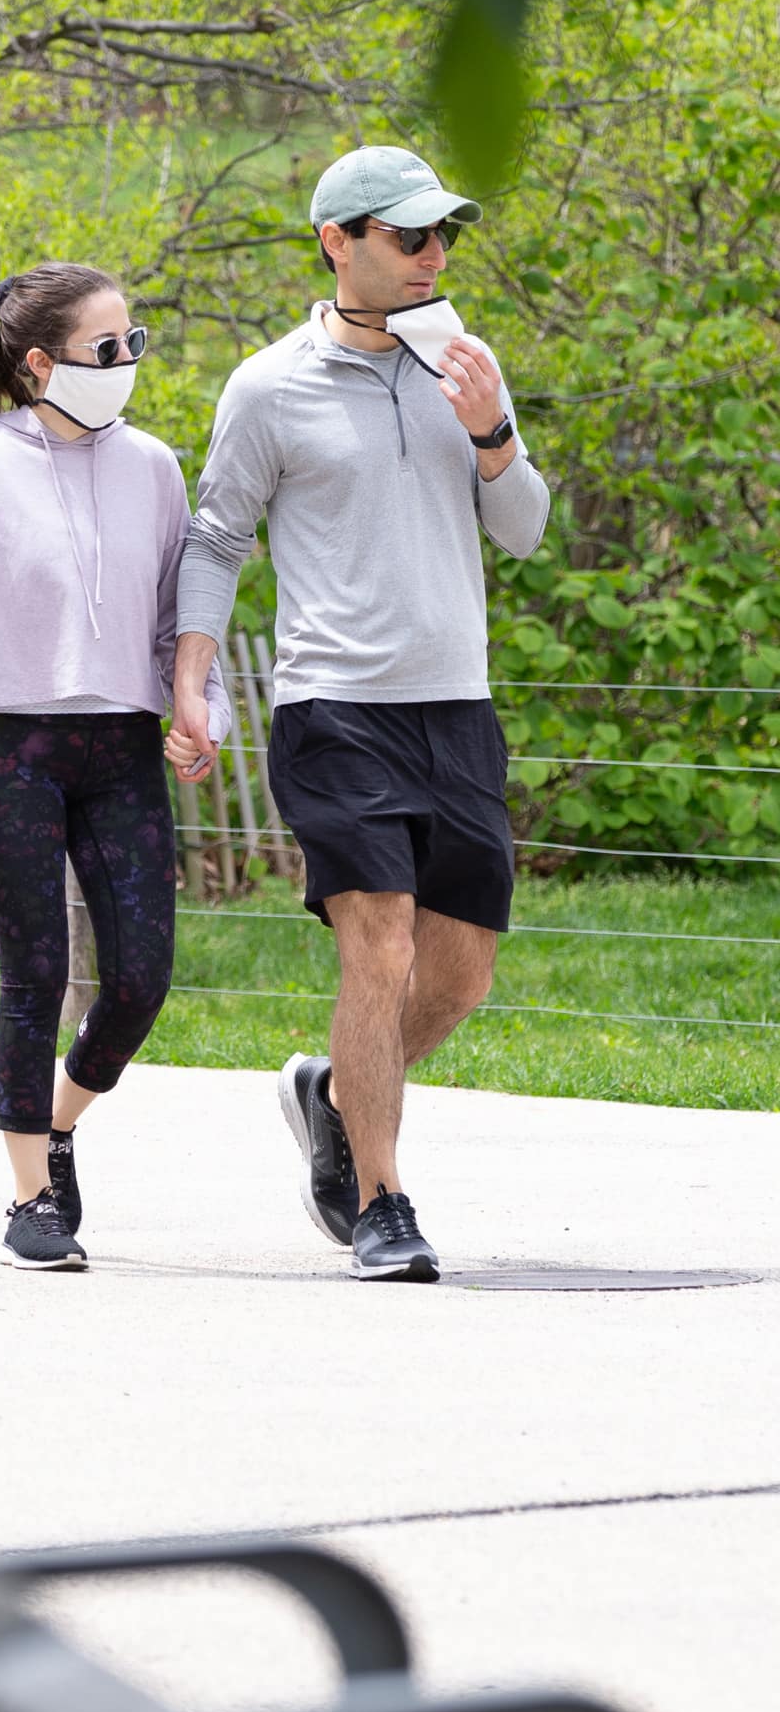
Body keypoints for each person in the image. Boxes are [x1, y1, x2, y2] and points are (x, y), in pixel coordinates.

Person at [170, 146, 550, 1283]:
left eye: (444, 236)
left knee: (462, 972)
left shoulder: (468, 366)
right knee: (376, 949)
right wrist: (193, 673)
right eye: (409, 236)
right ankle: (382, 1201)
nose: (434, 255)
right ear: (339, 243)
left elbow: (524, 530)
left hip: (458, 708)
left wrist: (491, 430)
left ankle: (334, 1097)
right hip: (335, 707)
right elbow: (217, 535)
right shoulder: (267, 385)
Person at [0, 262, 231, 1271]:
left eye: (136, 342)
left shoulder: (156, 469)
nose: (128, 362)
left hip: (121, 748)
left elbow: (181, 619)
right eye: (108, 348)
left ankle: (60, 1120)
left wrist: (199, 707)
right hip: (6, 751)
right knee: (36, 973)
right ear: (41, 364)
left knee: (138, 981)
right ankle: (32, 1200)